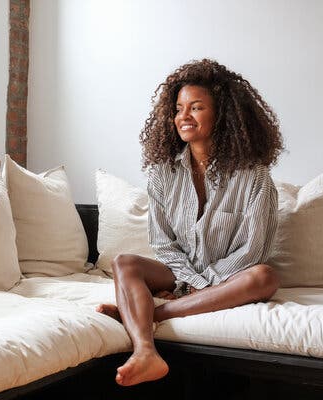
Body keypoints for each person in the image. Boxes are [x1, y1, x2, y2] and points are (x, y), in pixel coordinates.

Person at [96, 59, 284, 387]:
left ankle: (145, 315)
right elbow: (162, 241)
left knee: (265, 276)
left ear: (221, 115)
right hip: (182, 271)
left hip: (229, 276)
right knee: (124, 263)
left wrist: (204, 282)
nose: (184, 116)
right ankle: (144, 352)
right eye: (179, 108)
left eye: (196, 107)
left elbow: (254, 248)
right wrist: (189, 278)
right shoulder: (161, 172)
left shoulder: (254, 174)